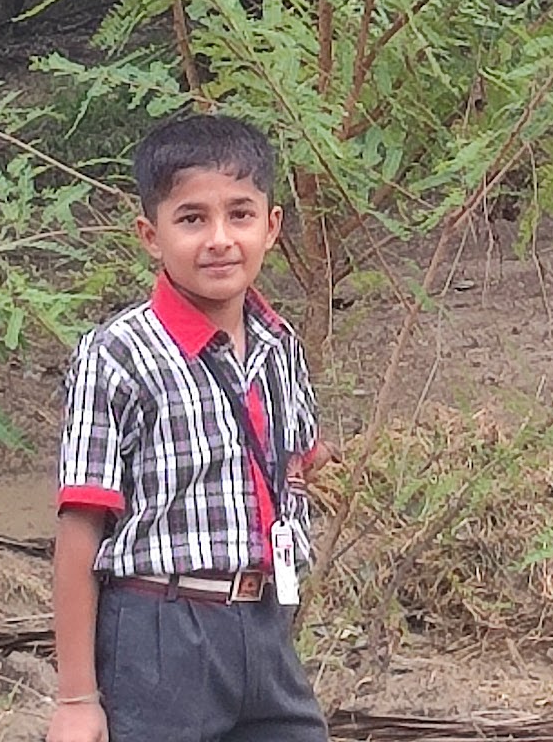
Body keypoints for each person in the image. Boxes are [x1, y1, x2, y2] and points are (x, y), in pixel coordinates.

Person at [47, 113, 329, 742]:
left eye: (240, 215)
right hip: (161, 631)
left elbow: (300, 466)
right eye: (192, 219)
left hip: (264, 624)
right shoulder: (118, 354)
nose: (220, 239)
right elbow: (80, 526)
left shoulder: (280, 344)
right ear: (151, 235)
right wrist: (76, 698)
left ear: (271, 226)